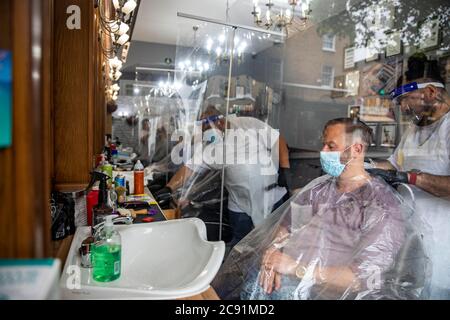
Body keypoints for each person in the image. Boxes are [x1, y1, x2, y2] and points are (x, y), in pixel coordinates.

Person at [212, 118, 427, 300]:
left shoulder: (380, 205)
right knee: (232, 282)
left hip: (320, 290)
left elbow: (362, 278)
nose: (323, 152)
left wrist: (296, 269)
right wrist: (273, 255)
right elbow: (286, 227)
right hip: (287, 277)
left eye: (331, 146)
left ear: (357, 149)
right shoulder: (319, 190)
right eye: (324, 145)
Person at [154, 106, 290, 247]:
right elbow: (189, 168)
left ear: (220, 121)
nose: (207, 131)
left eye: (208, 125)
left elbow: (277, 140)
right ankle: (239, 268)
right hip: (239, 202)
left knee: (273, 243)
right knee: (241, 245)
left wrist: (284, 171)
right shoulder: (211, 147)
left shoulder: (246, 124)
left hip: (269, 196)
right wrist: (169, 188)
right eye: (204, 128)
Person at [368, 53, 450, 198]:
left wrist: (412, 178)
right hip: (406, 218)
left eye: (405, 99)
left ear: (430, 92)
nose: (404, 108)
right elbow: (394, 165)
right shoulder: (415, 128)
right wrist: (364, 167)